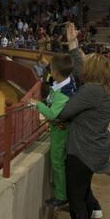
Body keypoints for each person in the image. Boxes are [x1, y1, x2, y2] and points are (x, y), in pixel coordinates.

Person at [57, 23, 110, 219]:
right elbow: (78, 69)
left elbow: (65, 112)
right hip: (93, 149)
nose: (82, 68)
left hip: (83, 151)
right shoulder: (103, 88)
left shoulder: (91, 90)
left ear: (91, 70)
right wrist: (73, 43)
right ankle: (95, 210)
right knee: (82, 189)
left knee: (75, 198)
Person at [30, 54, 77, 208]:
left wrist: (37, 104)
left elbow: (51, 114)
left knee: (57, 162)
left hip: (61, 130)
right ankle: (60, 185)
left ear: (56, 73)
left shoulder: (63, 93)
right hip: (61, 127)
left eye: (51, 70)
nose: (49, 72)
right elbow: (51, 82)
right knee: (58, 161)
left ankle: (61, 195)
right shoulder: (66, 81)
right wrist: (46, 64)